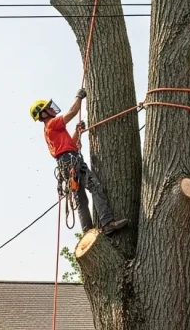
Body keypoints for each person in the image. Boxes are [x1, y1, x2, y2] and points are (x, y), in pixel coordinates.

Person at [30, 90, 128, 235]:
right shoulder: (51, 124)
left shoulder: (50, 130)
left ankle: (87, 233)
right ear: (43, 114)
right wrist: (79, 96)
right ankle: (107, 222)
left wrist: (77, 132)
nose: (52, 109)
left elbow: (71, 145)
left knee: (81, 200)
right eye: (48, 108)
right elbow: (73, 111)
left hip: (66, 163)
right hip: (71, 162)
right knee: (94, 186)